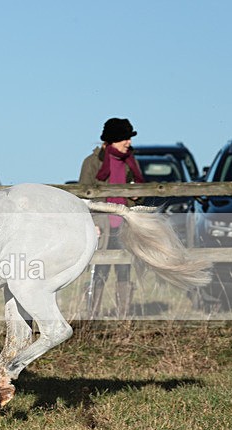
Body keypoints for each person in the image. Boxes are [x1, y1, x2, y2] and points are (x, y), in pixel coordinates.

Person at [78, 117, 144, 318]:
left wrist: (136, 194)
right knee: (99, 272)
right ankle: (93, 315)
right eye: (124, 138)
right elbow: (83, 196)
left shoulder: (130, 162)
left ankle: (123, 316)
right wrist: (91, 224)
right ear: (112, 140)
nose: (128, 142)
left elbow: (139, 190)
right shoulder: (92, 163)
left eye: (129, 138)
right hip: (102, 226)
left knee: (124, 271)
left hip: (124, 226)